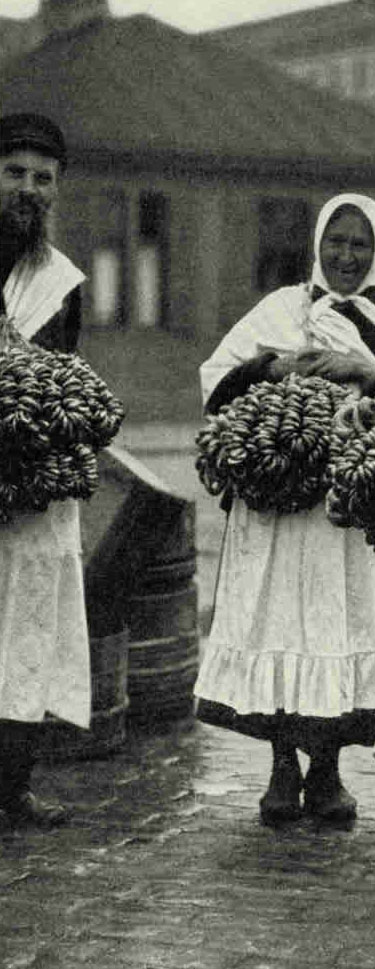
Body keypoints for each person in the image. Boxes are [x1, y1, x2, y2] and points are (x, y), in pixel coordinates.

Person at [195, 193, 375, 825]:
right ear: (317, 245)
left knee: (339, 625)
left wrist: (367, 369)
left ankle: (326, 771)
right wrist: (272, 365)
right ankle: (281, 769)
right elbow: (216, 383)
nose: (345, 255)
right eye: (336, 241)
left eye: (359, 245)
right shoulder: (282, 307)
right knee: (283, 622)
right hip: (280, 507)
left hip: (348, 509)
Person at [0, 113, 89, 829]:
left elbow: (63, 379)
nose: (27, 189)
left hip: (28, 485)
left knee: (25, 628)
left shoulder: (60, 282)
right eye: (13, 172)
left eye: (42, 178)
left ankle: (12, 784)